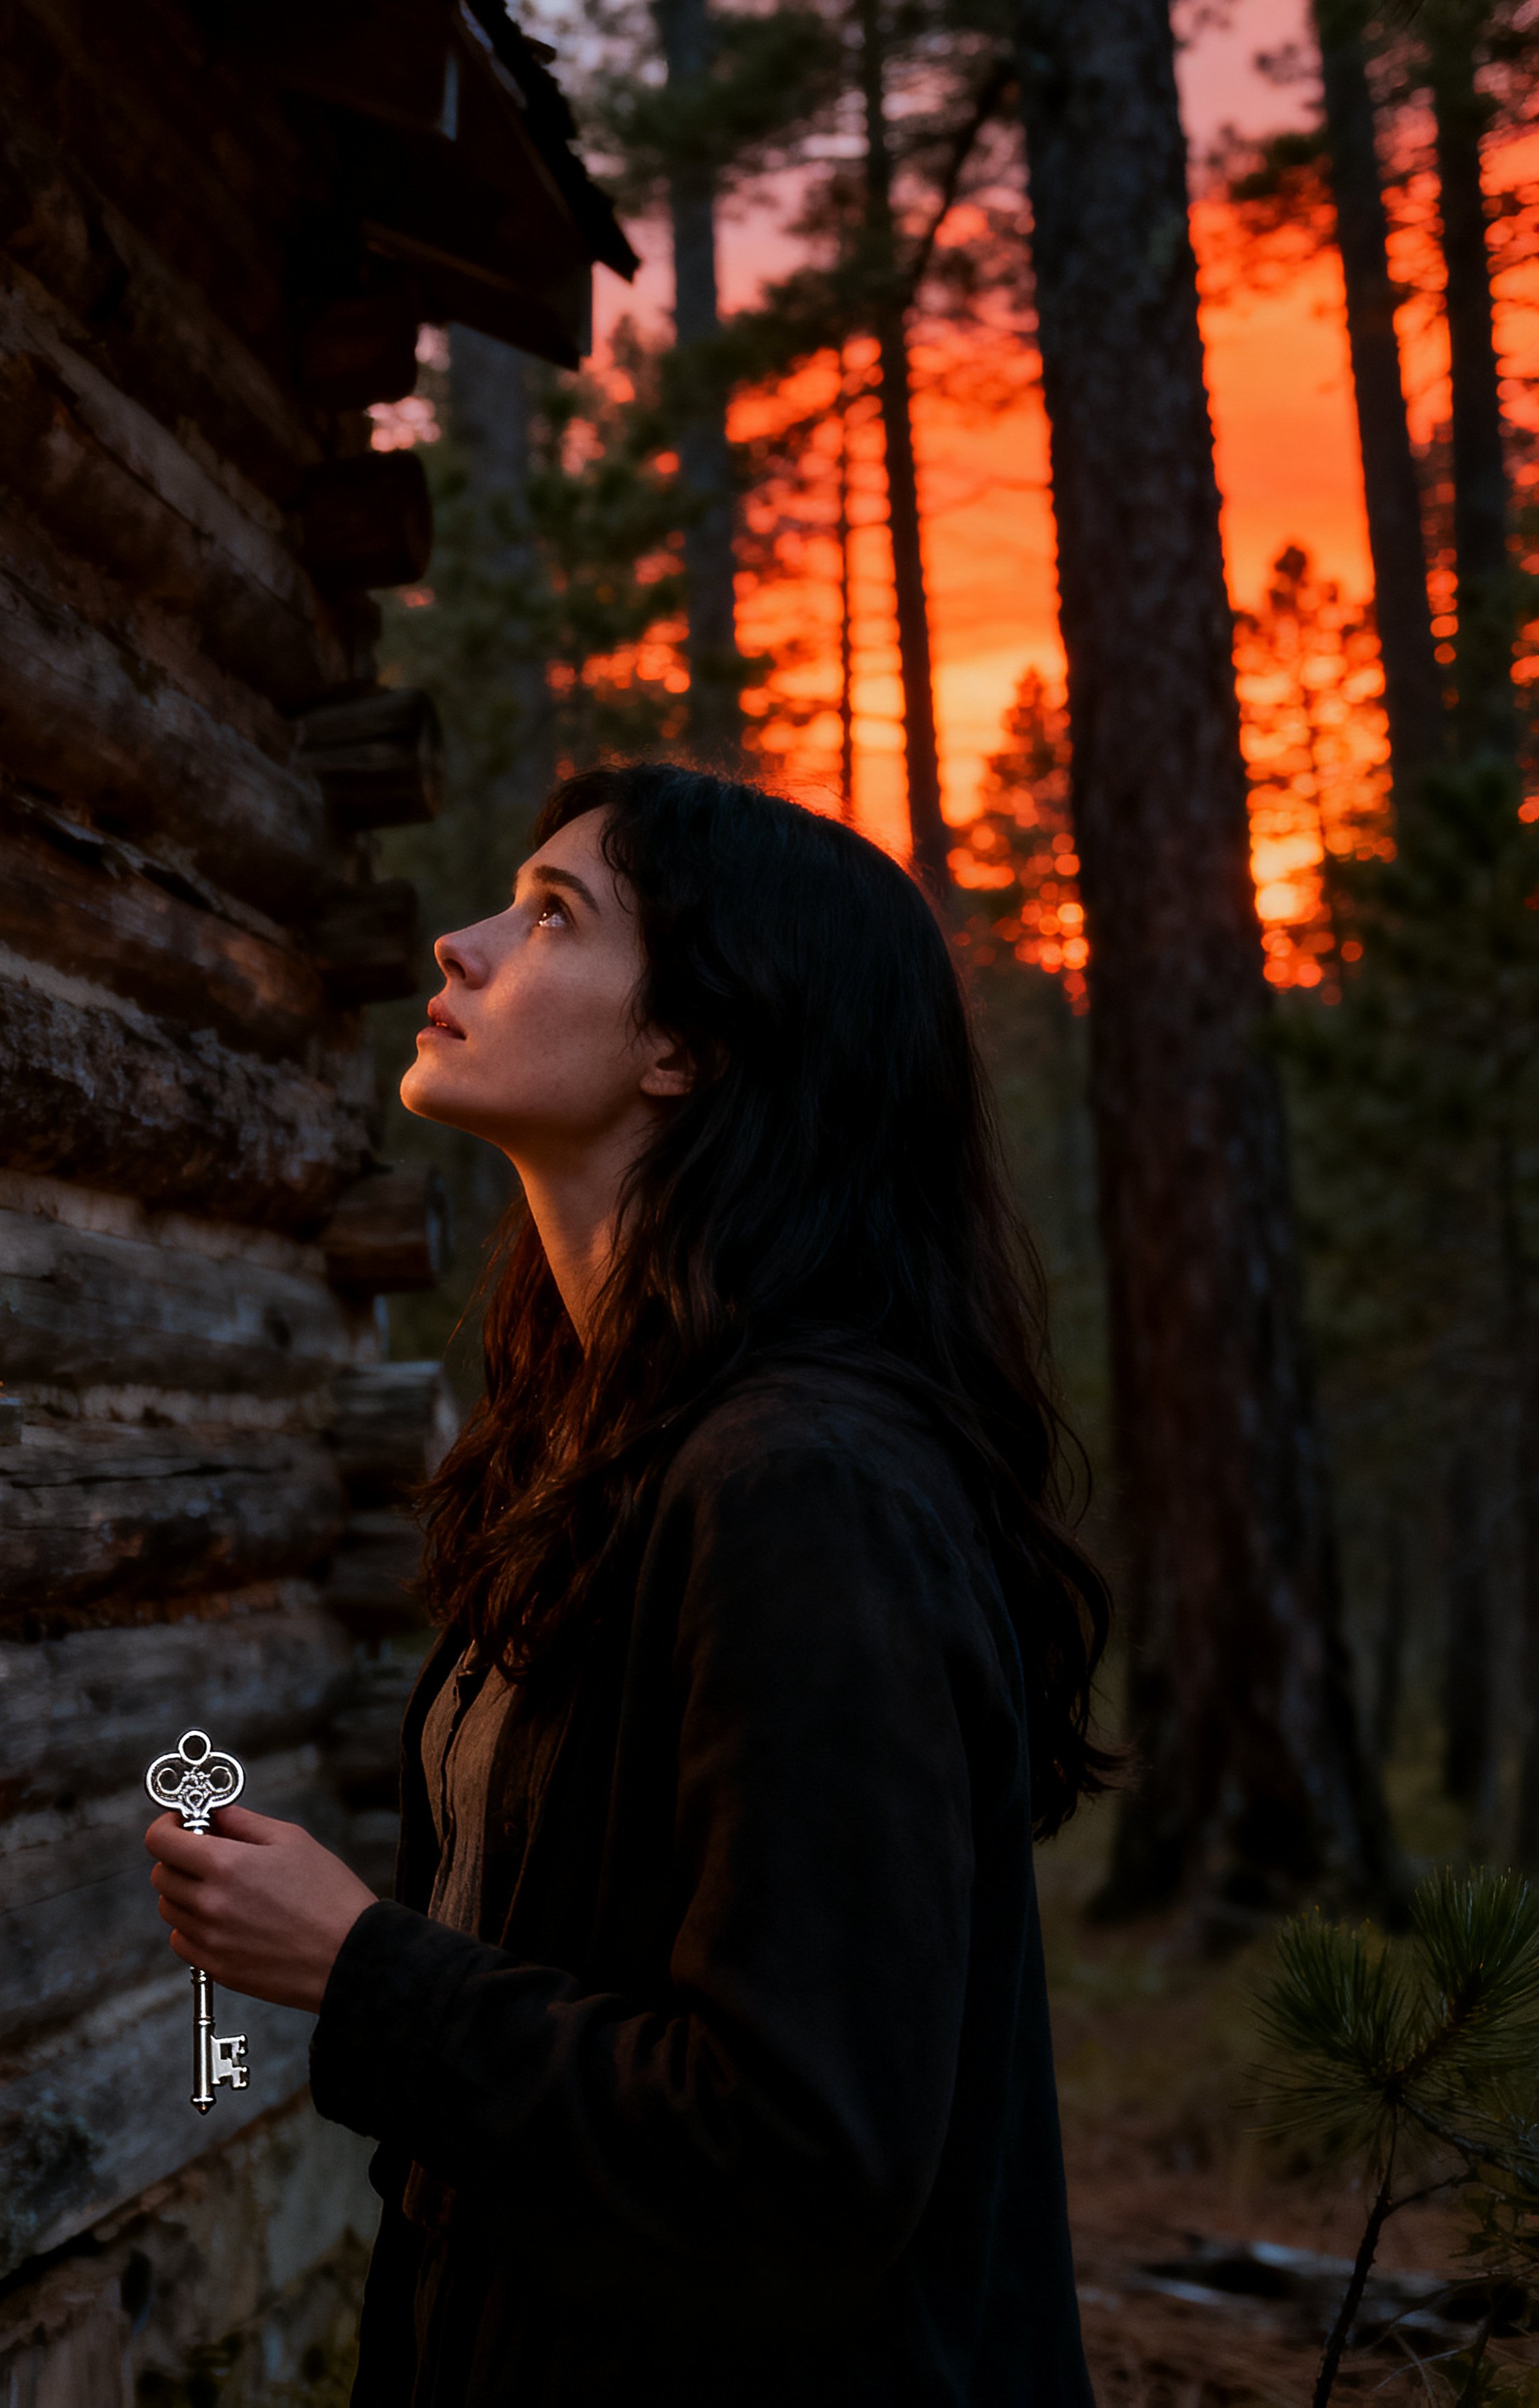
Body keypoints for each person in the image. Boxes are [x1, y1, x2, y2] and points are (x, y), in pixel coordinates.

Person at [144, 760, 1110, 2404]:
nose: (456, 944)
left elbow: (799, 2152)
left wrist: (359, 1962)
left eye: (547, 914)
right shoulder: (610, 1450)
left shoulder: (806, 1490)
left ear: (691, 1043)